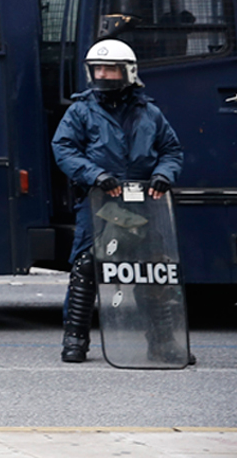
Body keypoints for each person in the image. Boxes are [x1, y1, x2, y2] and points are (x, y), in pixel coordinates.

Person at [51, 38, 184, 363]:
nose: (104, 75)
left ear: (129, 72)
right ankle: (75, 341)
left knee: (152, 269)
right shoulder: (80, 110)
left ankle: (162, 343)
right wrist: (94, 175)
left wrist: (164, 176)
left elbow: (171, 151)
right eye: (98, 68)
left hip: (143, 203)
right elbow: (63, 148)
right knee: (86, 267)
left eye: (111, 69)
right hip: (100, 202)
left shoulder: (149, 113)